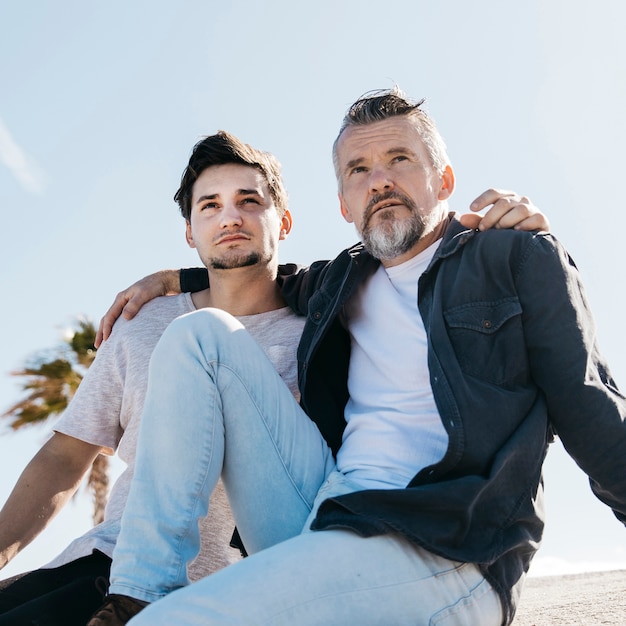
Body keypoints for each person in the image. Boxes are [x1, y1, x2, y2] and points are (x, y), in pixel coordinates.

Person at [83, 87, 623, 626]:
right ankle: (138, 591)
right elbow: (260, 273)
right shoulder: (339, 281)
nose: (379, 180)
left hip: (446, 546)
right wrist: (172, 278)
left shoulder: (513, 255)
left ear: (445, 180)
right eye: (358, 170)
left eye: (399, 159)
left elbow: (588, 405)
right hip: (324, 515)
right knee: (199, 335)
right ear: (344, 204)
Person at [0, 130, 308, 625]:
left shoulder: (323, 333)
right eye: (209, 206)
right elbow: (65, 455)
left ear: (284, 221)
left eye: (248, 201)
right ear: (190, 232)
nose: (229, 216)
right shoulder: (145, 322)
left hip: (240, 594)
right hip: (107, 567)